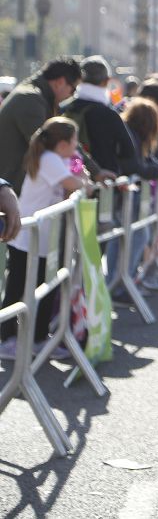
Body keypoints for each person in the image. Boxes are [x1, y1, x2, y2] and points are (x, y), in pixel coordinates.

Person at [0, 117, 89, 360]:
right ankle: (6, 339)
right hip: (27, 235)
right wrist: (83, 179)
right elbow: (75, 183)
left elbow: (75, 183)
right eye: (74, 140)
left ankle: (38, 338)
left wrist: (81, 177)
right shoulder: (49, 159)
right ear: (62, 144)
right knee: (18, 288)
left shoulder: (56, 158)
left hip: (43, 237)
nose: (76, 144)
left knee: (44, 288)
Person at [106, 98, 158, 302]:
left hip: (125, 195)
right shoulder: (130, 135)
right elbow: (135, 167)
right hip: (124, 195)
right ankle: (117, 283)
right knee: (131, 237)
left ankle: (118, 282)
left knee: (125, 238)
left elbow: (144, 161)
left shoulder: (132, 134)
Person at [0, 56, 81, 192]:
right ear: (60, 82)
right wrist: (83, 172)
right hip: (11, 190)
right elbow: (53, 144)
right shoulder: (30, 99)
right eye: (73, 90)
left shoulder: (38, 97)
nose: (71, 95)